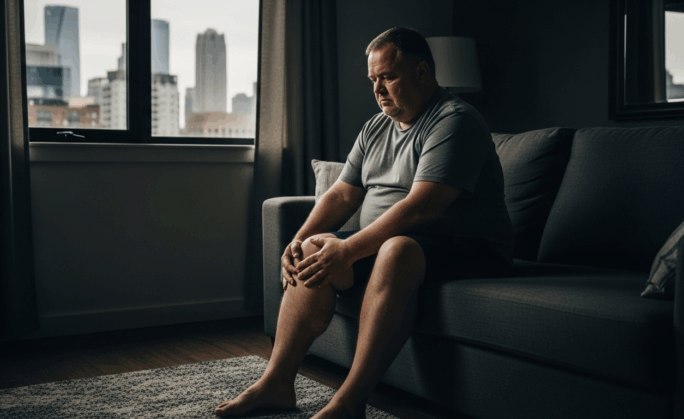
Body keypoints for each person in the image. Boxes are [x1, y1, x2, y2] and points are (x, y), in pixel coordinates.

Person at [215, 27, 513, 419]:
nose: (378, 89)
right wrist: (299, 238)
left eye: (387, 76)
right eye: (373, 79)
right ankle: (277, 382)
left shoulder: (454, 121)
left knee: (398, 247)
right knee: (313, 248)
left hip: (472, 250)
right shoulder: (376, 127)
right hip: (404, 247)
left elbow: (423, 208)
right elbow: (341, 194)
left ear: (422, 72)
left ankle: (350, 401)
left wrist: (350, 249)